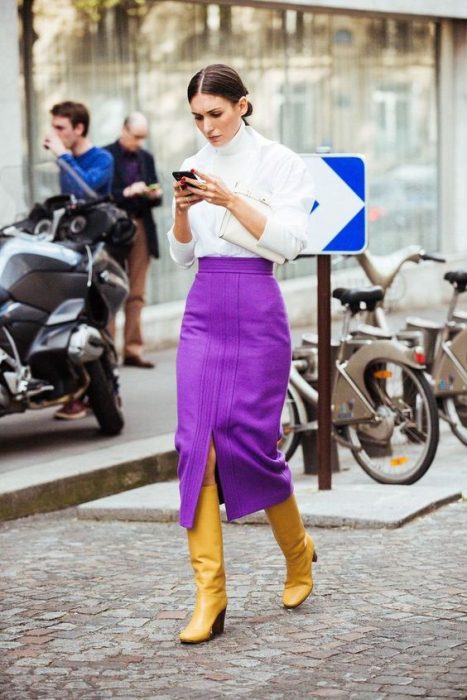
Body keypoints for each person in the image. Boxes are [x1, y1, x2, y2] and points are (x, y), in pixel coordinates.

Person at [168, 64, 318, 645]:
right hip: (204, 307)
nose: (207, 127)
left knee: (252, 445)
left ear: (243, 105)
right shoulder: (194, 162)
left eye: (216, 114)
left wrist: (229, 198)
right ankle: (210, 596)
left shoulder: (280, 163)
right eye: (197, 117)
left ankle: (299, 554)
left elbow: (290, 242)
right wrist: (183, 211)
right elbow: (182, 258)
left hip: (257, 305)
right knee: (196, 447)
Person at [43, 101, 114, 419]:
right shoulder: (67, 158)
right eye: (54, 127)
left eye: (61, 127)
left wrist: (62, 155)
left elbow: (85, 191)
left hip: (96, 249)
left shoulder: (102, 158)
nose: (55, 133)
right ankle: (77, 390)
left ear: (78, 129)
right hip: (70, 246)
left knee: (98, 319)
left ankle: (110, 393)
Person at [104, 113, 163, 368]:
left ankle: (132, 349)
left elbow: (157, 194)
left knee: (137, 292)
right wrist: (126, 192)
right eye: (136, 136)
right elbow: (102, 194)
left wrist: (153, 192)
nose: (139, 142)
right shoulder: (105, 155)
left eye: (143, 137)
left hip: (140, 224)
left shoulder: (146, 157)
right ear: (124, 129)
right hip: (114, 227)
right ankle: (106, 353)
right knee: (109, 291)